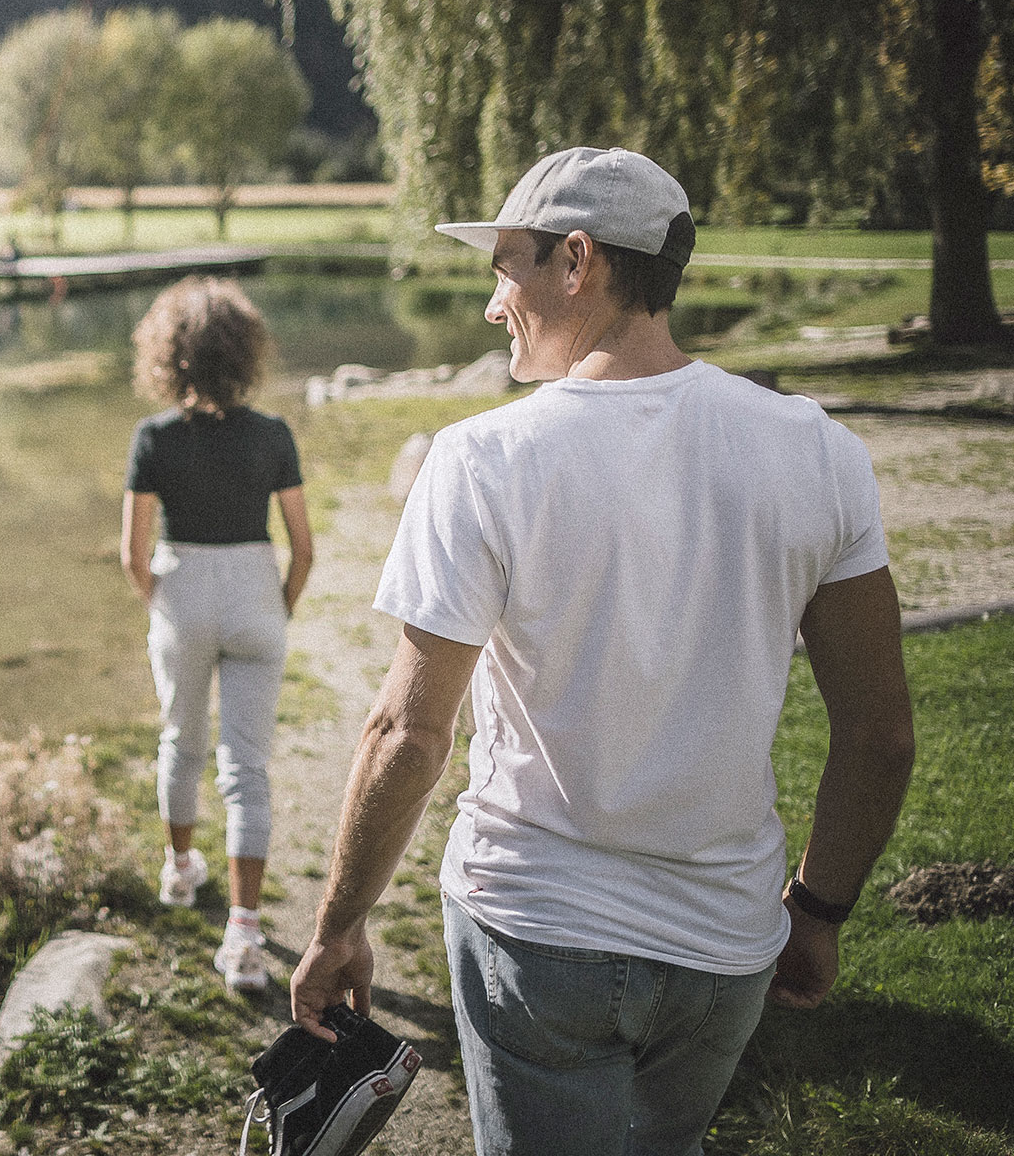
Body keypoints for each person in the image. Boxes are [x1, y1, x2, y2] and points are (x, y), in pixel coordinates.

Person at [287, 147, 915, 1154]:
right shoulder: (816, 450)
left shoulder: (482, 461)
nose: (495, 304)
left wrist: (334, 929)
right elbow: (880, 733)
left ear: (577, 261)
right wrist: (820, 908)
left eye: (507, 267)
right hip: (725, 945)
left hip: (537, 937)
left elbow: (408, 731)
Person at [121, 276, 315, 991]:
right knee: (248, 769)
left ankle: (177, 873)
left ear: (168, 355)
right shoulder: (273, 435)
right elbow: (304, 545)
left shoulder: (154, 438)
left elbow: (133, 556)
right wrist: (280, 605)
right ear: (245, 353)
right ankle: (243, 935)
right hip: (257, 595)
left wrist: (162, 603)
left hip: (183, 594)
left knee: (181, 741)